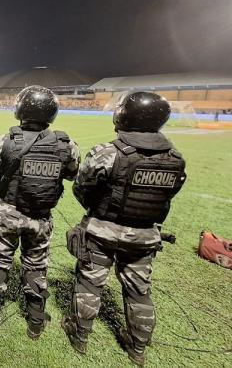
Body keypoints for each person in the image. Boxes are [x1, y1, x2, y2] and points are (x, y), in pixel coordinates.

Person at [61, 92, 187, 367]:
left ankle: (79, 334)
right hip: (144, 236)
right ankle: (137, 347)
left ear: (123, 116)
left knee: (89, 283)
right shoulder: (175, 159)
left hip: (102, 231)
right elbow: (169, 195)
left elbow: (82, 189)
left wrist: (100, 210)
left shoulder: (107, 153)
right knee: (139, 291)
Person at [0, 85, 80, 338]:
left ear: (20, 109)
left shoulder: (3, 141)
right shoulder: (67, 145)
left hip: (8, 213)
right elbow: (73, 174)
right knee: (36, 264)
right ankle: (35, 319)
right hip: (41, 217)